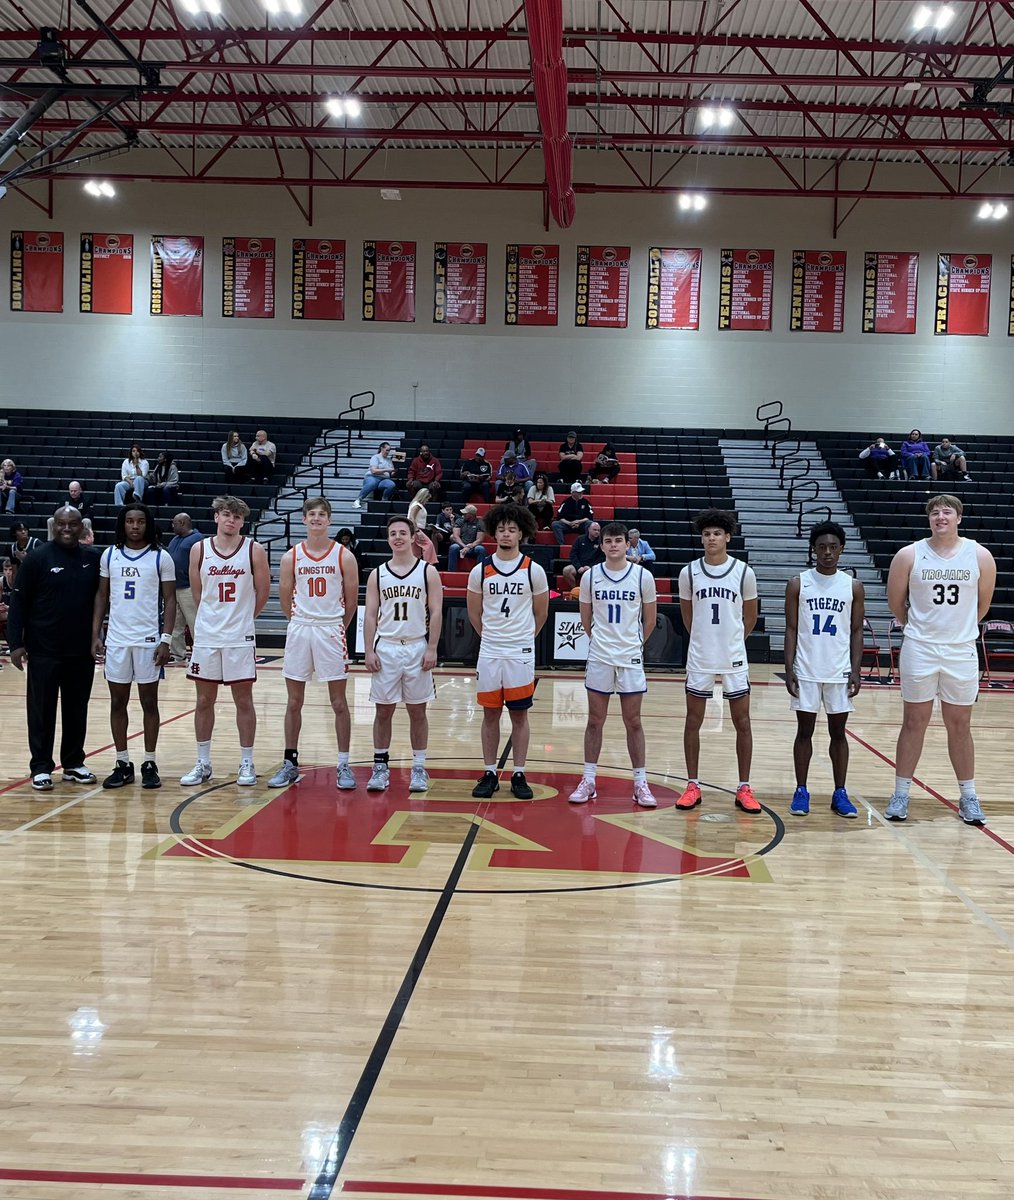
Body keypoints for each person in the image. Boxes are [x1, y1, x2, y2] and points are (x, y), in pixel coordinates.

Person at [884, 494, 996, 825]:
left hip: (960, 650)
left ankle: (969, 796)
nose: (940, 516)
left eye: (947, 511)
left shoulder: (979, 555)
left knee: (959, 725)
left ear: (959, 518)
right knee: (913, 722)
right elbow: (896, 603)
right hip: (920, 648)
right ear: (929, 519)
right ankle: (901, 793)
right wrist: (918, 629)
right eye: (934, 512)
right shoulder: (909, 554)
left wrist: (957, 631)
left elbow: (983, 606)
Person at [267, 496, 359, 791]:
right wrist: (300, 621)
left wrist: (335, 627)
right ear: (304, 519)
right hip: (300, 629)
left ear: (329, 520)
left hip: (330, 629)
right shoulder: (291, 556)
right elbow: (284, 599)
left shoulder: (343, 555)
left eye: (322, 514)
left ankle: (344, 764)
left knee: (338, 702)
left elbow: (352, 601)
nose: (317, 518)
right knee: (294, 701)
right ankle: (290, 762)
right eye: (312, 514)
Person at [6, 506, 101, 790]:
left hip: (80, 651)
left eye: (73, 524)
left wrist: (99, 636)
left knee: (76, 709)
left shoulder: (92, 559)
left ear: (82, 527)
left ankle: (73, 763)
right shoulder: (36, 559)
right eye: (62, 524)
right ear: (53, 526)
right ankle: (41, 767)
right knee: (41, 710)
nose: (67, 529)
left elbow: (101, 601)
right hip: (43, 650)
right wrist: (15, 644)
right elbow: (19, 603)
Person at [180, 495, 270, 786]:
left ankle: (247, 761)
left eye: (238, 517)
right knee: (204, 700)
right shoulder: (199, 549)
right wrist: (212, 619)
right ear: (216, 516)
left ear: (243, 521)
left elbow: (263, 591)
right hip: (207, 635)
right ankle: (203, 762)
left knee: (244, 700)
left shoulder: (254, 550)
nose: (232, 520)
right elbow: (198, 594)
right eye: (227, 514)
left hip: (238, 637)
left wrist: (243, 618)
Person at [676, 509, 761, 814]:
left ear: (727, 537)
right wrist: (704, 639)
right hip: (700, 655)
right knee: (693, 721)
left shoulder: (743, 572)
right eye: (706, 534)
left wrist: (732, 640)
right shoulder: (689, 572)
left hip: (733, 656)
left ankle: (744, 787)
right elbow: (688, 616)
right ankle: (692, 784)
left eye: (716, 534)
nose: (710, 538)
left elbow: (749, 617)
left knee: (743, 722)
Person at [568, 521, 658, 808]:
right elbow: (585, 620)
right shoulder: (590, 577)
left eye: (618, 540)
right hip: (600, 656)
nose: (614, 545)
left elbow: (651, 619)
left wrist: (633, 645)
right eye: (608, 541)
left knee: (633, 721)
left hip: (630, 657)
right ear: (602, 545)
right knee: (595, 720)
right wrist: (602, 643)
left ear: (626, 543)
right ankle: (589, 779)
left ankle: (640, 783)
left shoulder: (642, 576)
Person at [466, 501, 549, 799]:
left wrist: (523, 639)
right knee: (490, 713)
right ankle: (489, 771)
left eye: (512, 530)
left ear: (521, 534)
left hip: (520, 652)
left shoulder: (534, 571)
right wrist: (491, 638)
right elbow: (474, 613)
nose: (506, 534)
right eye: (501, 529)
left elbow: (541, 614)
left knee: (519, 714)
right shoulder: (481, 570)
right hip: (490, 651)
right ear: (493, 533)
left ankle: (519, 773)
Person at [91, 503, 176, 790]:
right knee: (118, 702)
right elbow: (101, 596)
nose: (135, 526)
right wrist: (96, 634)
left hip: (148, 641)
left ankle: (149, 761)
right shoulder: (110, 554)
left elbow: (171, 600)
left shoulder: (160, 557)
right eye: (130, 521)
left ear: (147, 524)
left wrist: (166, 639)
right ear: (123, 524)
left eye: (140, 521)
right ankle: (122, 762)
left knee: (149, 703)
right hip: (116, 640)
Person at [783, 521, 865, 818]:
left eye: (833, 547)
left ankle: (839, 792)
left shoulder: (853, 586)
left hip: (838, 669)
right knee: (804, 731)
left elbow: (857, 631)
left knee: (838, 733)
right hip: (806, 667)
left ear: (841, 549)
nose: (827, 552)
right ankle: (801, 789)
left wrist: (855, 670)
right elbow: (791, 628)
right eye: (821, 547)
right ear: (813, 550)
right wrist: (788, 667)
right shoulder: (798, 583)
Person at [362, 515, 444, 793]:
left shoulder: (427, 572)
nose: (397, 537)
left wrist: (432, 647)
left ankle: (419, 767)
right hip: (386, 646)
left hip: (416, 646)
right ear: (388, 539)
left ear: (412, 538)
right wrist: (369, 650)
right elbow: (370, 615)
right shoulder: (378, 573)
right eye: (392, 533)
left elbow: (436, 612)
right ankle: (380, 766)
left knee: (417, 711)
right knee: (382, 711)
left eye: (402, 533)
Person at [167, 513, 202, 660]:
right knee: (175, 624)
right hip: (174, 587)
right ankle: (177, 654)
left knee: (194, 622)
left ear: (182, 523)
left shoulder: (198, 539)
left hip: (189, 587)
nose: (172, 526)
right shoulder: (175, 539)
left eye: (174, 523)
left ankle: (201, 654)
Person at [561, 521, 604, 591]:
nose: (597, 532)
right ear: (589, 529)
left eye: (598, 530)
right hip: (579, 566)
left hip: (594, 567)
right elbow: (573, 554)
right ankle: (575, 590)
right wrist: (579, 567)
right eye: (595, 530)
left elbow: (602, 558)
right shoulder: (580, 539)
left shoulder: (601, 542)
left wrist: (591, 567)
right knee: (567, 570)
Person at [354, 441, 397, 508]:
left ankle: (384, 499)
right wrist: (386, 470)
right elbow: (374, 471)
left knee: (391, 484)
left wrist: (395, 470)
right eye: (387, 450)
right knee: (372, 483)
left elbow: (392, 473)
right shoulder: (375, 457)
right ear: (382, 449)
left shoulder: (389, 460)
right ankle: (359, 499)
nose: (388, 452)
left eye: (389, 450)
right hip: (373, 477)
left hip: (384, 479)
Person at [447, 504, 487, 572]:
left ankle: (480, 572)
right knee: (453, 547)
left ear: (471, 515)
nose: (463, 514)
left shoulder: (480, 523)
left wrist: (470, 546)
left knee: (481, 549)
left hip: (473, 547)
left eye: (465, 513)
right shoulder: (459, 521)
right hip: (461, 545)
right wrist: (465, 546)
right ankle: (451, 571)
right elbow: (456, 536)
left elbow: (479, 540)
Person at [407, 487, 438, 564]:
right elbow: (411, 518)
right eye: (427, 499)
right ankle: (429, 564)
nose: (427, 501)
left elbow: (416, 518)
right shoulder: (417, 505)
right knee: (428, 545)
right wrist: (417, 531)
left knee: (415, 551)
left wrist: (426, 525)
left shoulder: (415, 504)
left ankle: (414, 566)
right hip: (415, 529)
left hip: (413, 528)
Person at [0, 557, 16, 648]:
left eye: (10, 569)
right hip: (8, 610)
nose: (8, 572)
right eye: (5, 569)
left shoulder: (20, 582)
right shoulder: (1, 581)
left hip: (21, 611)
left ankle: (16, 645)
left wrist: (8, 608)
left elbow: (25, 605)